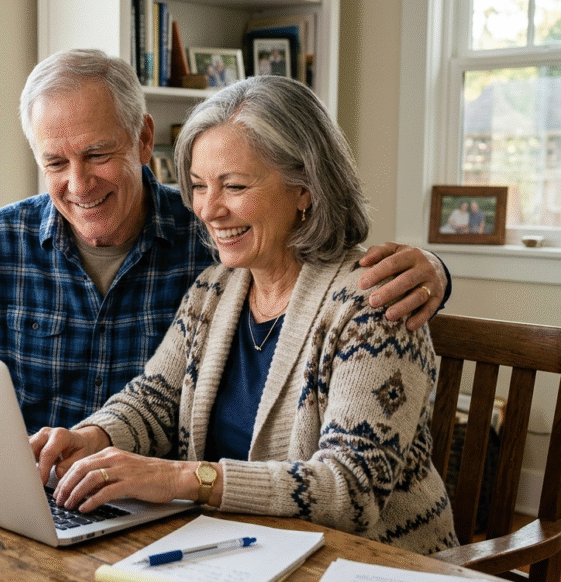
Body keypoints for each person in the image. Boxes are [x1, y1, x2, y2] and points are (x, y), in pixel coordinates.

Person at [0, 48, 450, 435]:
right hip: (49, 484)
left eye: (98, 154)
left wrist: (435, 270)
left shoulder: (214, 244)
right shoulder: (2, 242)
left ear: (144, 140)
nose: (78, 184)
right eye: (55, 163)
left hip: (162, 504)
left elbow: (328, 266)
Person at [30, 75, 458, 556]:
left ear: (305, 188)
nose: (210, 210)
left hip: (373, 563)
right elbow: (154, 399)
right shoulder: (214, 289)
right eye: (197, 186)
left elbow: (350, 491)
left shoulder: (375, 306)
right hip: (243, 552)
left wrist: (181, 477)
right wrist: (93, 437)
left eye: (233, 185)